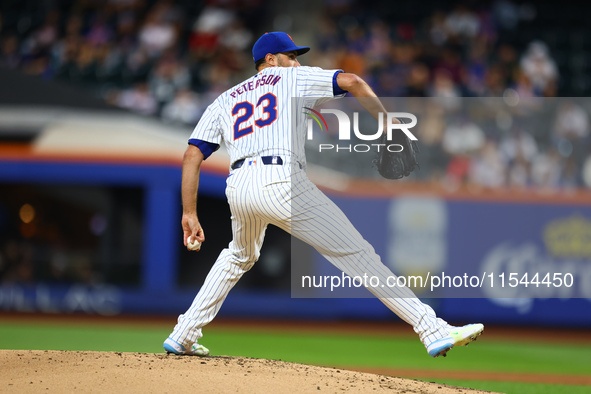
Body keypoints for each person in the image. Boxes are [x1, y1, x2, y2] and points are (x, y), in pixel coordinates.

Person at [163, 32, 484, 358]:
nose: (297, 61)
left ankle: (183, 333)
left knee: (238, 256)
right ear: (271, 60)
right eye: (291, 56)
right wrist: (390, 125)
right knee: (359, 256)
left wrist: (189, 212)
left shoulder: (225, 98)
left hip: (239, 185)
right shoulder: (291, 77)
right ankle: (431, 330)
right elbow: (354, 81)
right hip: (282, 179)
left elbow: (193, 154)